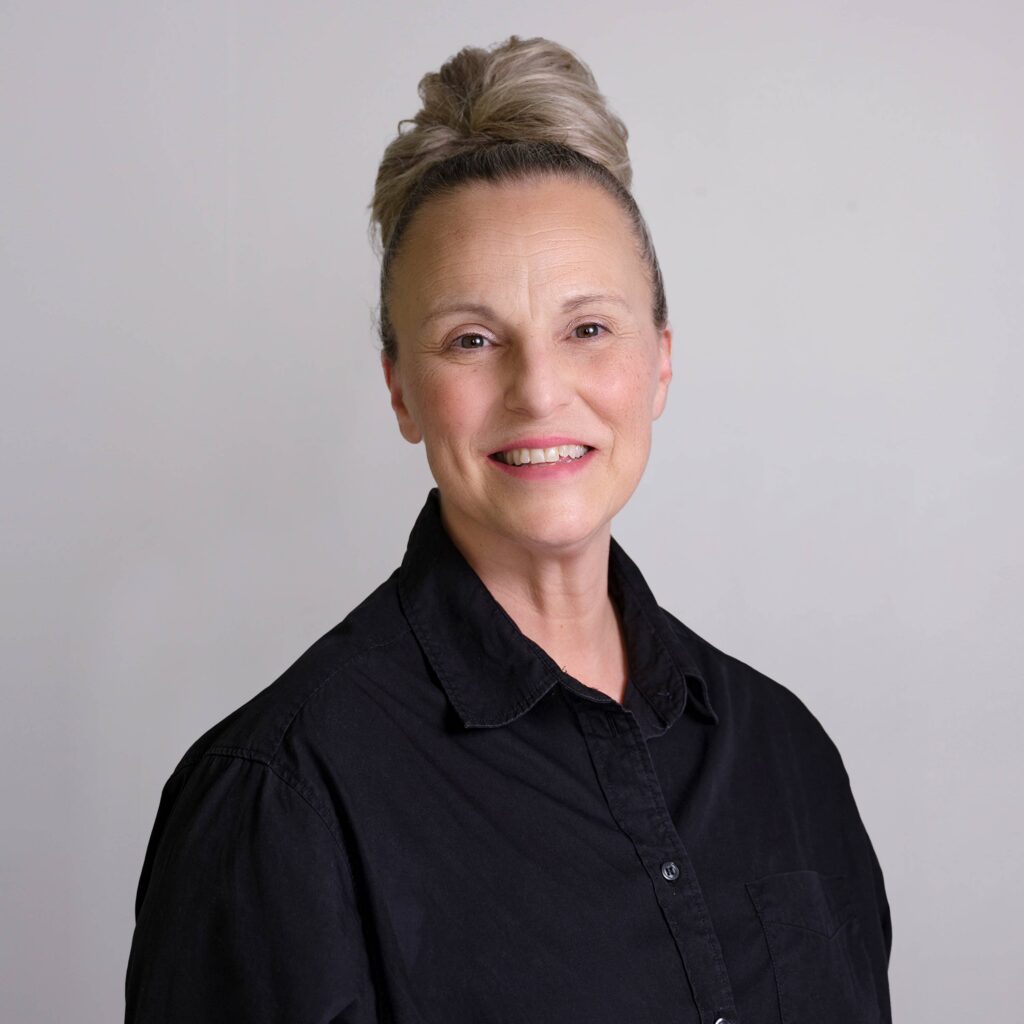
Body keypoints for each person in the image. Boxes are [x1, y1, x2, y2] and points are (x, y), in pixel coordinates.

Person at [125, 35, 892, 1024]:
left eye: (587, 328)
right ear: (401, 387)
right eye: (472, 340)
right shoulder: (280, 802)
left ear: (658, 364)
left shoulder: (784, 753)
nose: (537, 391)